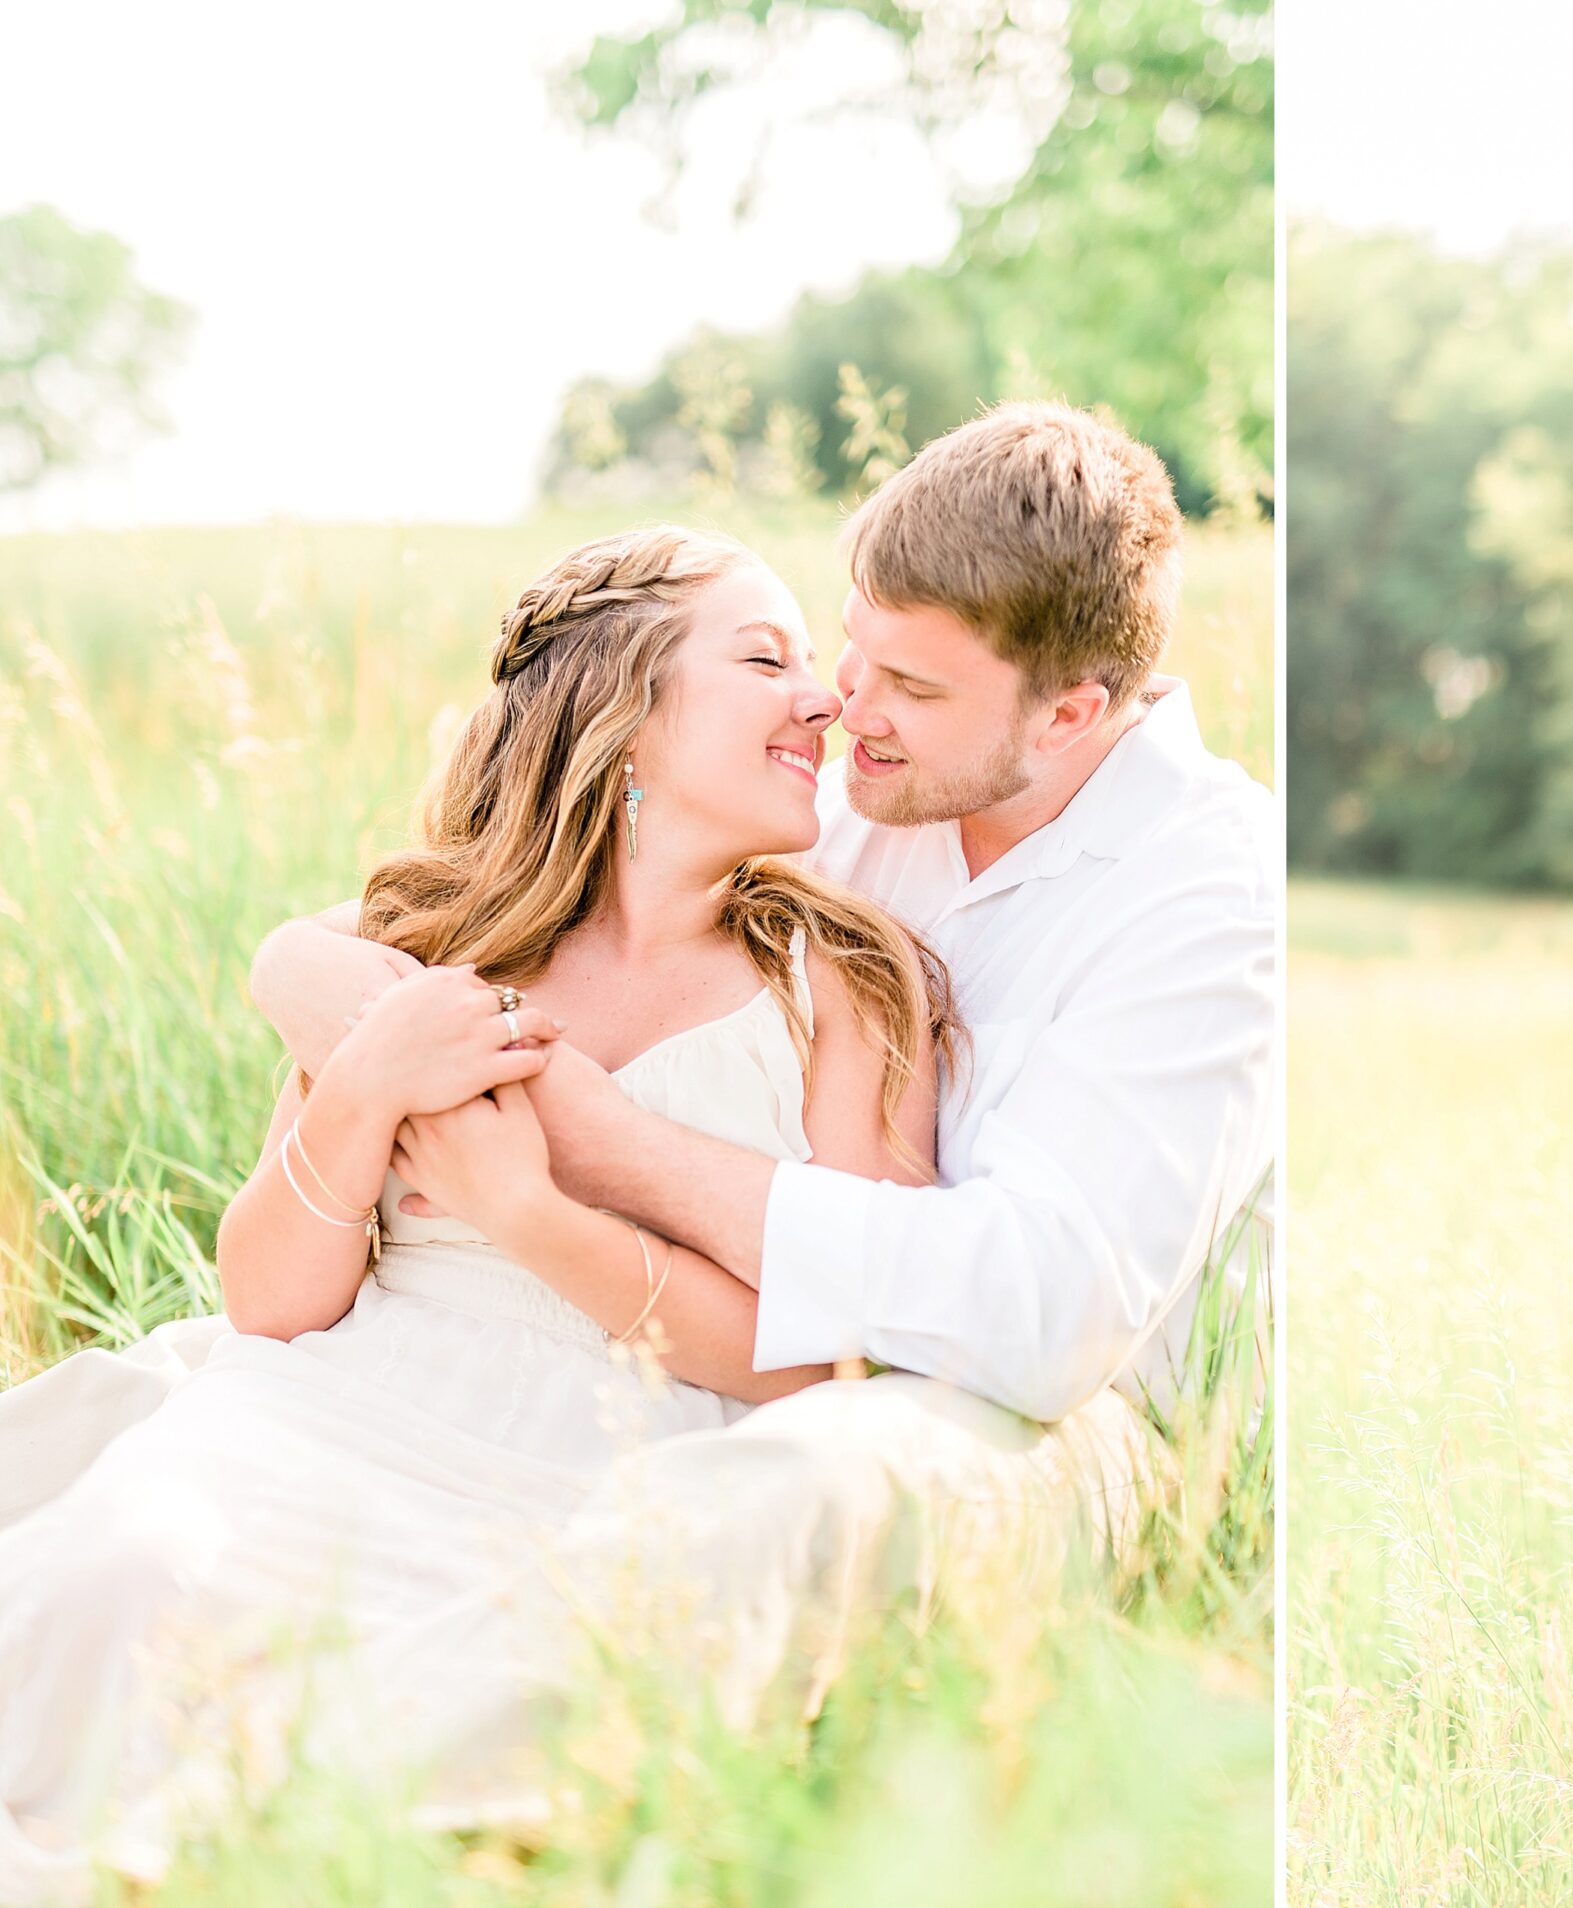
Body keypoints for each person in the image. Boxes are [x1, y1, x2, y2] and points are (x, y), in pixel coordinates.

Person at [245, 401, 1279, 1723]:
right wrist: (307, 971)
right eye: (857, 653)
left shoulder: (1205, 894)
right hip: (777, 1362)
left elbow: (1044, 1322)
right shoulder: (869, 790)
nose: (847, 709)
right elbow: (429, 928)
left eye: (910, 687)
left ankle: (450, 1768)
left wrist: (590, 1145)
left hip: (1070, 1421)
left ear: (1071, 713)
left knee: (775, 1493)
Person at [0, 524, 951, 1893]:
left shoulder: (842, 984)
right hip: (339, 1405)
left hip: (625, 1451)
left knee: (446, 1704)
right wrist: (362, 1085)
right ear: (624, 711)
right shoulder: (431, 936)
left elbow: (831, 1350)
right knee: (124, 1572)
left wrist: (532, 1217)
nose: (826, 699)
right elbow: (267, 1306)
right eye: (766, 658)